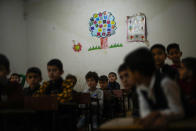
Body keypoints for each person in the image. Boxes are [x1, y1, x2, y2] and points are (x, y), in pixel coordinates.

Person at [124, 47, 184, 128]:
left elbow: (179, 111)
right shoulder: (140, 87)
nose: (128, 76)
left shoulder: (165, 82)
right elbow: (145, 112)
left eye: (129, 72)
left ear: (138, 72)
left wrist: (158, 114)